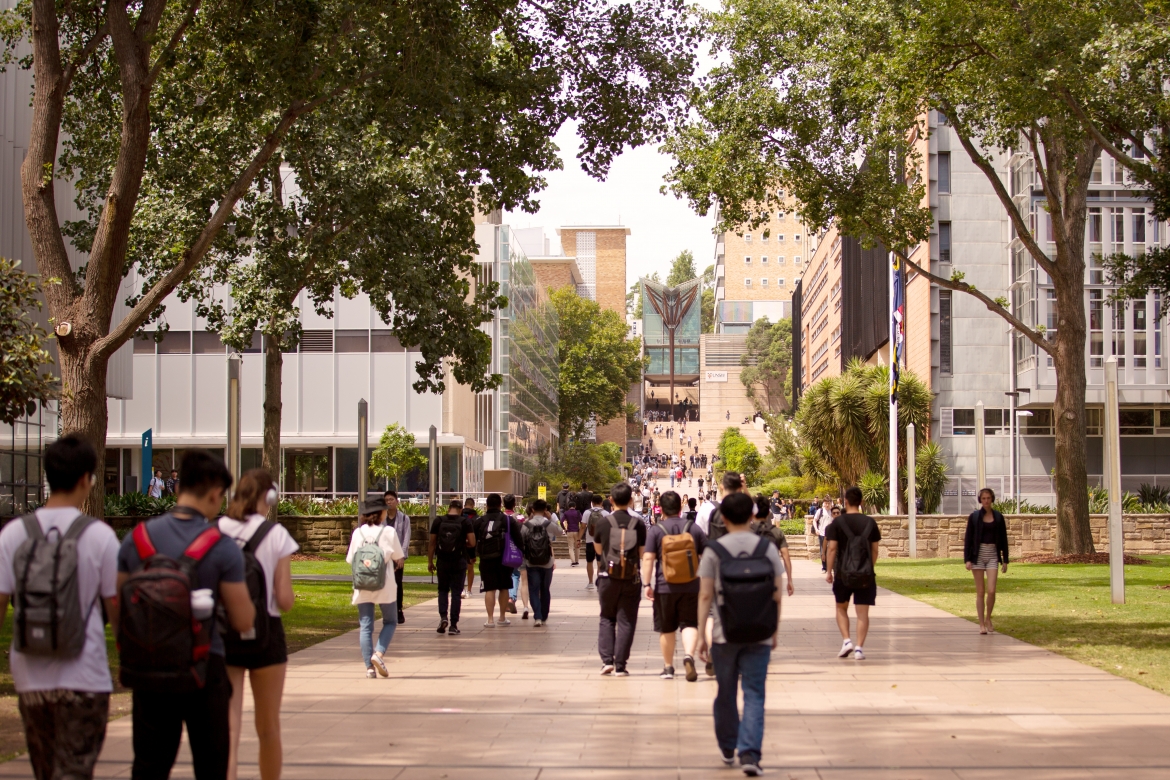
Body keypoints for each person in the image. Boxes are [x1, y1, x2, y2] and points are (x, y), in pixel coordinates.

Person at [117, 449, 255, 780]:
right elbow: (243, 620)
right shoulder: (221, 548)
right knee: (211, 766)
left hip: (150, 670)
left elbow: (118, 605)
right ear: (214, 494)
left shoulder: (136, 540)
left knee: (149, 765)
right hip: (205, 670)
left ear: (178, 489)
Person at [0, 434, 120, 780]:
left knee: (45, 770)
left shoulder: (13, 534)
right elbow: (115, 608)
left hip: (29, 675)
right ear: (86, 479)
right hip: (84, 675)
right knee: (75, 770)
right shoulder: (99, 537)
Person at [695, 492, 784, 777]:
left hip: (724, 635)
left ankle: (727, 744)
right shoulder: (767, 548)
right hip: (759, 633)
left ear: (722, 518)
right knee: (755, 694)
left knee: (726, 691)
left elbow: (705, 595)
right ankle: (750, 753)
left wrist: (700, 635)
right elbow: (777, 593)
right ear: (752, 516)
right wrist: (774, 630)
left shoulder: (713, 550)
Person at [219, 469, 299, 780]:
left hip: (225, 632)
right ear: (269, 498)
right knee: (268, 727)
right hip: (266, 632)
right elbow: (285, 598)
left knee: (229, 727)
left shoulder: (217, 530)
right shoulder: (275, 534)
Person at [642, 490, 708, 681]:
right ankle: (688, 656)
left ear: (660, 509)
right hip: (691, 585)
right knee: (689, 624)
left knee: (666, 627)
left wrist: (647, 583)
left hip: (665, 586)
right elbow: (707, 555)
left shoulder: (656, 530)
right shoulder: (693, 529)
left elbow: (648, 558)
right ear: (681, 507)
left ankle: (669, 667)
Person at [346, 498, 405, 677]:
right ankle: (378, 653)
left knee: (366, 626)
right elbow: (398, 555)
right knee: (390, 621)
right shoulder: (388, 531)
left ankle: (369, 669)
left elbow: (350, 559)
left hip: (362, 584)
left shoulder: (358, 533)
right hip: (384, 584)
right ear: (381, 513)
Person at [593, 483, 645, 676]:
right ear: (631, 500)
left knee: (607, 617)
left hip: (607, 576)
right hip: (631, 578)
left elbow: (598, 550)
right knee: (626, 621)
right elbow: (641, 552)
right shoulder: (638, 523)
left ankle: (607, 661)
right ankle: (621, 665)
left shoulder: (603, 523)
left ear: (611, 500)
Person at [824, 486, 881, 661]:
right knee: (862, 613)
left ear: (845, 501)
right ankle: (859, 648)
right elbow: (875, 550)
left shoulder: (837, 523)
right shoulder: (870, 523)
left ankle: (847, 640)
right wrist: (868, 567)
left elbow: (832, 548)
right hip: (865, 574)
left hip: (843, 572)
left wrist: (829, 571)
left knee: (841, 608)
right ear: (861, 502)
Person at [964, 488, 1009, 634]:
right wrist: (968, 559)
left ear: (992, 499)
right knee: (980, 591)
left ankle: (988, 617)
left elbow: (1004, 539)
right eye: (983, 498)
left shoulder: (998, 517)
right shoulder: (974, 517)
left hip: (992, 555)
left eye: (988, 498)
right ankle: (981, 624)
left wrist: (1005, 559)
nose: (986, 501)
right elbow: (968, 539)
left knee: (991, 590)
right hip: (978, 555)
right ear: (980, 500)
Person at [429, 499, 477, 635]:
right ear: (461, 509)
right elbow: (472, 542)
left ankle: (443, 617)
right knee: (456, 592)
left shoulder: (439, 521)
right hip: (459, 560)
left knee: (443, 590)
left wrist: (430, 562)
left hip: (442, 560)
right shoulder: (464, 522)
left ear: (448, 508)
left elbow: (432, 543)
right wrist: (461, 544)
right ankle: (453, 625)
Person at [474, 493, 522, 627]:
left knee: (489, 588)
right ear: (500, 505)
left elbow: (472, 539)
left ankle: (490, 619)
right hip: (503, 559)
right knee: (504, 587)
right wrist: (521, 552)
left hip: (486, 559)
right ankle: (502, 617)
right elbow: (518, 538)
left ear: (487, 505)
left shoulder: (479, 520)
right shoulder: (507, 520)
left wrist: (472, 556)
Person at [521, 499, 563, 626]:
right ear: (545, 510)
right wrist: (552, 519)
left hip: (531, 562)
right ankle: (544, 616)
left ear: (532, 510)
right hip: (547, 562)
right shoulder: (548, 524)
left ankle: (537, 617)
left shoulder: (526, 525)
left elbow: (521, 540)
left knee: (533, 589)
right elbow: (561, 532)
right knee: (545, 589)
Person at [383, 490, 411, 624]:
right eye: (387, 500)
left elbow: (406, 538)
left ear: (397, 501)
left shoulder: (404, 518)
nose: (389, 502)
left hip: (397, 557)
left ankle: (399, 610)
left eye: (391, 500)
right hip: (384, 557)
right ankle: (388, 611)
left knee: (397, 584)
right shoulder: (381, 519)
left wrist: (401, 556)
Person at [580, 493, 606, 590]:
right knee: (600, 562)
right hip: (601, 541)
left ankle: (590, 582)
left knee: (589, 561)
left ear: (592, 503)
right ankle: (599, 581)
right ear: (601, 502)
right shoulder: (605, 513)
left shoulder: (587, 512)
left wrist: (578, 539)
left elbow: (583, 527)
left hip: (589, 540)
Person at [460, 498, 478, 598]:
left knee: (461, 568)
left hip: (460, 545)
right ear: (473, 505)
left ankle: (461, 589)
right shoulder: (475, 517)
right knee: (470, 568)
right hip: (472, 544)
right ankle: (469, 590)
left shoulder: (460, 515)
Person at [813, 499, 833, 572]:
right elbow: (814, 520)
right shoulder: (820, 511)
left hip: (831, 534)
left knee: (831, 549)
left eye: (828, 503)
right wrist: (816, 529)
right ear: (823, 503)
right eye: (826, 503)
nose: (827, 505)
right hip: (822, 533)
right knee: (823, 550)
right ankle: (824, 567)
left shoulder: (832, 511)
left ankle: (831, 566)